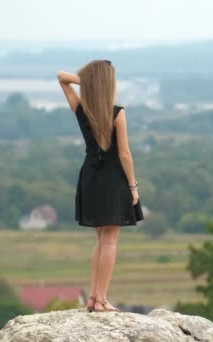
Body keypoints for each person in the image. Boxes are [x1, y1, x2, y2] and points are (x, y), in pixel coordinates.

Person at [58, 59, 144, 313]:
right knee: (110, 241)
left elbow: (61, 77)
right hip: (112, 182)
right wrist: (133, 186)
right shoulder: (117, 112)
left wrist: (89, 84)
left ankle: (94, 298)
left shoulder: (81, 108)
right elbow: (125, 154)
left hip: (89, 179)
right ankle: (103, 300)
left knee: (100, 240)